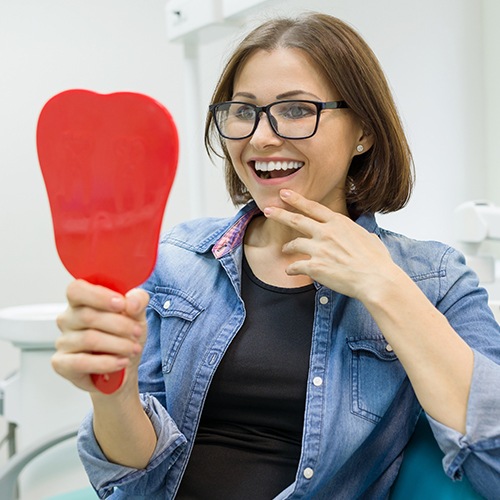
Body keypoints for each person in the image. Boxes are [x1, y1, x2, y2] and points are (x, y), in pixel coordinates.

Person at [52, 12, 500, 499]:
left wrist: (383, 284)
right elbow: (137, 482)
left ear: (364, 132)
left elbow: (492, 462)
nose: (261, 137)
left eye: (296, 110)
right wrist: (113, 393)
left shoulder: (434, 279)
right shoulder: (177, 261)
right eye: (243, 111)